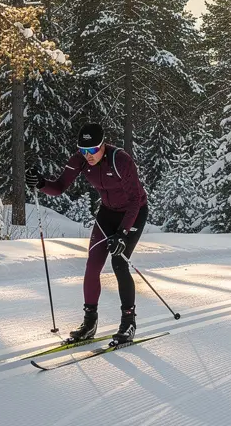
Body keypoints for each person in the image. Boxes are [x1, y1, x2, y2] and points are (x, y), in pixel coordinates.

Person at [26, 122, 148, 345]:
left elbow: (134, 201)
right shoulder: (80, 160)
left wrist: (122, 234)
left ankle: (128, 323)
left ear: (103, 145)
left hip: (134, 213)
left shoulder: (121, 160)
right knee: (93, 264)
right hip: (107, 213)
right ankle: (90, 322)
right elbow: (59, 187)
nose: (88, 155)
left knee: (119, 263)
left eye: (92, 150)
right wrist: (41, 183)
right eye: (83, 150)